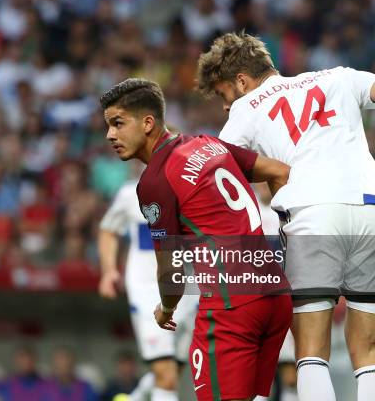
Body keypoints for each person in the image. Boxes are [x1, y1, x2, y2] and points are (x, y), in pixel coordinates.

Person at [197, 31, 375, 401]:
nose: (223, 105)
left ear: (242, 81)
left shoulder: (246, 108)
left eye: (222, 94)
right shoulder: (338, 76)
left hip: (312, 214)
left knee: (311, 352)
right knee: (370, 352)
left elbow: (219, 170)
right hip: (374, 208)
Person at [100, 78, 292, 401]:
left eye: (118, 123)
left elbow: (171, 272)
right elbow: (281, 172)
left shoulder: (155, 181)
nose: (110, 135)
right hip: (275, 294)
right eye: (108, 126)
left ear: (148, 123)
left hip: (231, 305)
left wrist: (166, 309)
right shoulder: (209, 143)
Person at [98, 161, 197, 401]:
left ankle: (136, 397)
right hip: (147, 291)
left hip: (190, 291)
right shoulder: (130, 194)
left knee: (174, 370)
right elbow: (108, 230)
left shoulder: (194, 192)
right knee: (166, 375)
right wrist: (109, 270)